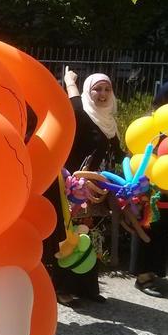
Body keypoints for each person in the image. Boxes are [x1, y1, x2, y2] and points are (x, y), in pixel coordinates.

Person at [44, 68, 123, 305]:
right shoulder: (82, 115)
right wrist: (70, 81)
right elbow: (74, 103)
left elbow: (118, 154)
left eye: (107, 89)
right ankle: (62, 288)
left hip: (95, 189)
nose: (103, 94)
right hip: (71, 186)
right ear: (88, 92)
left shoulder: (110, 123)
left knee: (91, 237)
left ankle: (88, 288)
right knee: (69, 238)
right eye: (97, 89)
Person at [129, 80, 168, 297]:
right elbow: (139, 153)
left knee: (161, 228)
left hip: (167, 187)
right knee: (147, 227)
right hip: (148, 189)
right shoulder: (152, 124)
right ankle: (142, 276)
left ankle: (153, 271)